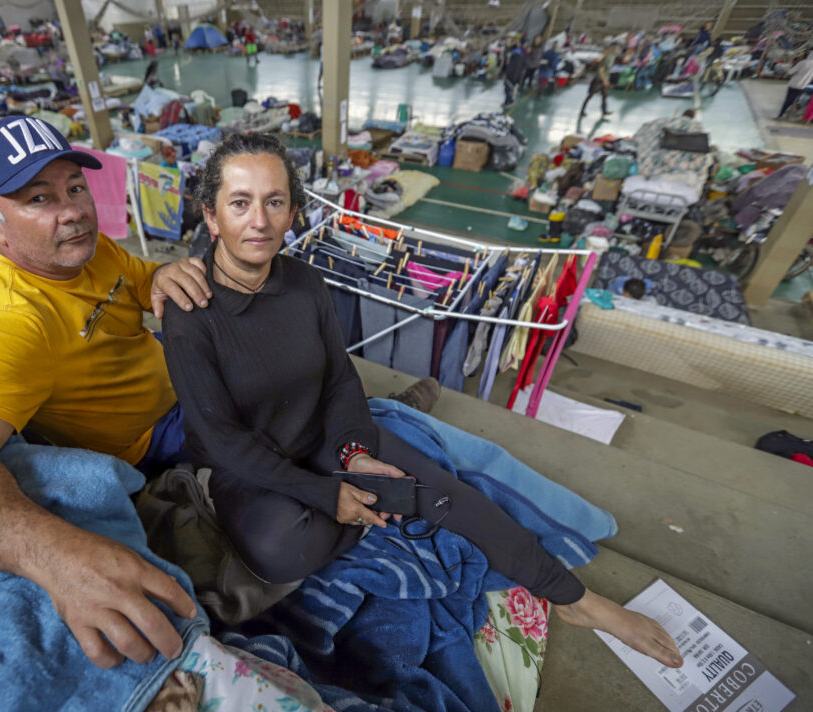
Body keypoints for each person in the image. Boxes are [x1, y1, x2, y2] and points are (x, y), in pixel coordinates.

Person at [160, 132, 685, 670]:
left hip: (324, 440)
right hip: (244, 470)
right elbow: (223, 441)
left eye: (274, 202)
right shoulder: (189, 313)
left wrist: (353, 455)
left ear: (294, 211)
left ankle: (579, 601)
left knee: (448, 489)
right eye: (240, 203)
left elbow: (340, 380)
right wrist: (324, 494)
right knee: (279, 551)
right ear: (211, 214)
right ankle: (376, 498)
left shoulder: (305, 283)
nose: (260, 222)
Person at [0, 116, 214, 672]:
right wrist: (58, 558)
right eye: (38, 198)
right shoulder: (13, 322)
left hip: (178, 378)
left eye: (75, 187)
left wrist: (158, 279)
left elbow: (137, 280)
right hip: (155, 435)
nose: (73, 211)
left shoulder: (84, 248)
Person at [580, 44, 616, 119]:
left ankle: (604, 111)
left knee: (604, 96)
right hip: (599, 80)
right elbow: (600, 70)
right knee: (590, 96)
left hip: (604, 80)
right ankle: (582, 110)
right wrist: (605, 80)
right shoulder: (605, 58)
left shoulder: (611, 58)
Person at [778, 51, 813, 119]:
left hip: (794, 84)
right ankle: (791, 113)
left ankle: (780, 115)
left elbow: (790, 72)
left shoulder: (803, 62)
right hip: (803, 86)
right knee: (796, 99)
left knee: (788, 100)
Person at [503, 40, 527, 108]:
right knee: (509, 89)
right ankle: (507, 102)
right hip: (516, 77)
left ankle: (509, 102)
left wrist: (506, 75)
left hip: (511, 76)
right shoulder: (521, 55)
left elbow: (511, 67)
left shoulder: (515, 56)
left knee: (507, 89)